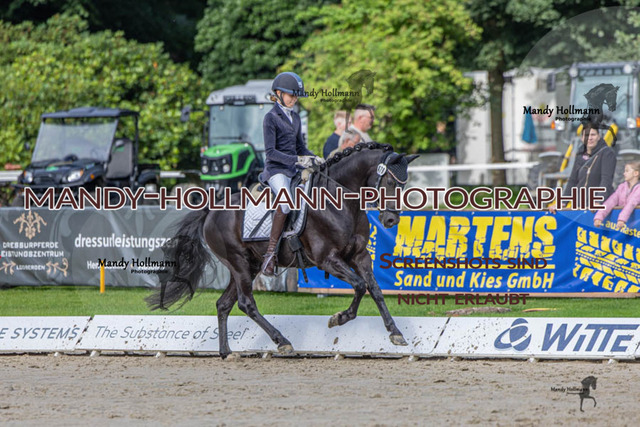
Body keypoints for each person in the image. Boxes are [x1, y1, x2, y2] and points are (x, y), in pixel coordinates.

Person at [260, 71, 323, 276]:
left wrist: (315, 158)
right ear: (278, 93)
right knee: (286, 203)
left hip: (293, 171)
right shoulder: (270, 118)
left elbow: (300, 147)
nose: (294, 99)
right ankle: (270, 254)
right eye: (291, 95)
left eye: (296, 96)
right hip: (276, 171)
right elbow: (271, 152)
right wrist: (297, 160)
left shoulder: (295, 117)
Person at [549, 122, 616, 213]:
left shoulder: (607, 153)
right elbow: (573, 180)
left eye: (593, 135)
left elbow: (606, 180)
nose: (590, 138)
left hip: (598, 208)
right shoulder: (580, 154)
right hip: (580, 205)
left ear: (599, 137)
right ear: (582, 138)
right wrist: (562, 202)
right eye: (586, 135)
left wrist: (598, 201)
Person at [594, 161, 640, 230]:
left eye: (627, 171)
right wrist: (599, 216)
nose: (624, 173)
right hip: (622, 226)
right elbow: (611, 201)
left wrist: (622, 219)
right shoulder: (621, 187)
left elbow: (632, 203)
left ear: (636, 173)